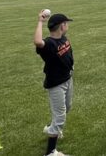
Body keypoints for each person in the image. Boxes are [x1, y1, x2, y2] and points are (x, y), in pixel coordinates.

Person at [34, 11, 74, 156]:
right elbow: (38, 42)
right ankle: (50, 152)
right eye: (66, 23)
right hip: (56, 83)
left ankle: (50, 128)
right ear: (61, 26)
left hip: (68, 78)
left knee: (67, 107)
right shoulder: (49, 44)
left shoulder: (63, 38)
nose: (67, 25)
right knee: (60, 116)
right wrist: (40, 22)